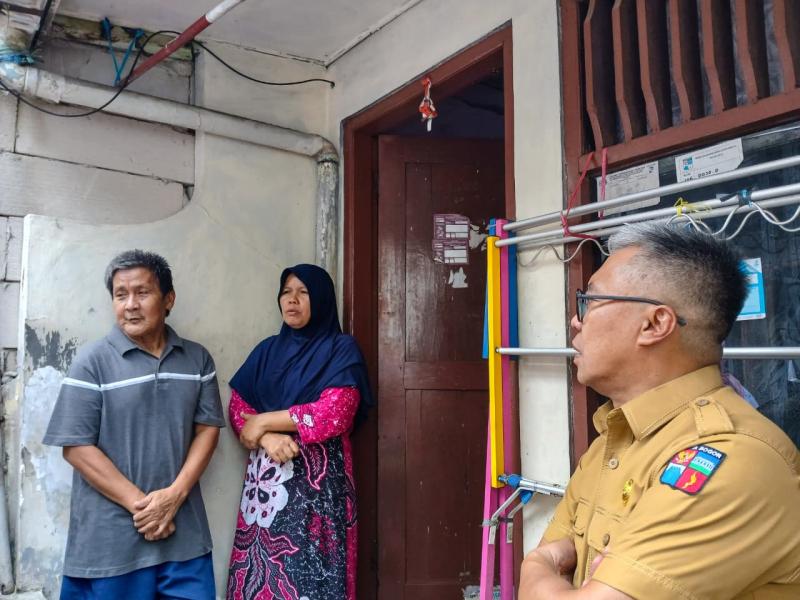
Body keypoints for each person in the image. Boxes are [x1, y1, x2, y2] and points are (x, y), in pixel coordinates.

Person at [521, 223, 800, 599]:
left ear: (654, 324)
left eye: (590, 301)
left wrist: (534, 566)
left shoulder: (732, 458)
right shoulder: (612, 441)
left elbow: (550, 561)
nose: (576, 320)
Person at [43, 250, 225, 600]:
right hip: (112, 545)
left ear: (168, 299)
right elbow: (76, 448)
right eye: (120, 295)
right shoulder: (92, 362)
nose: (130, 305)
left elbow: (207, 429)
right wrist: (146, 508)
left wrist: (174, 497)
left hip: (184, 538)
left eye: (142, 293)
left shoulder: (197, 359)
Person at [225, 263, 373, 600]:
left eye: (303, 292)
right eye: (286, 292)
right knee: (261, 576)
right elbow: (239, 409)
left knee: (313, 579)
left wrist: (264, 421)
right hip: (265, 489)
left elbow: (335, 412)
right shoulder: (267, 351)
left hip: (320, 489)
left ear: (321, 299)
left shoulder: (341, 349)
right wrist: (266, 436)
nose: (292, 300)